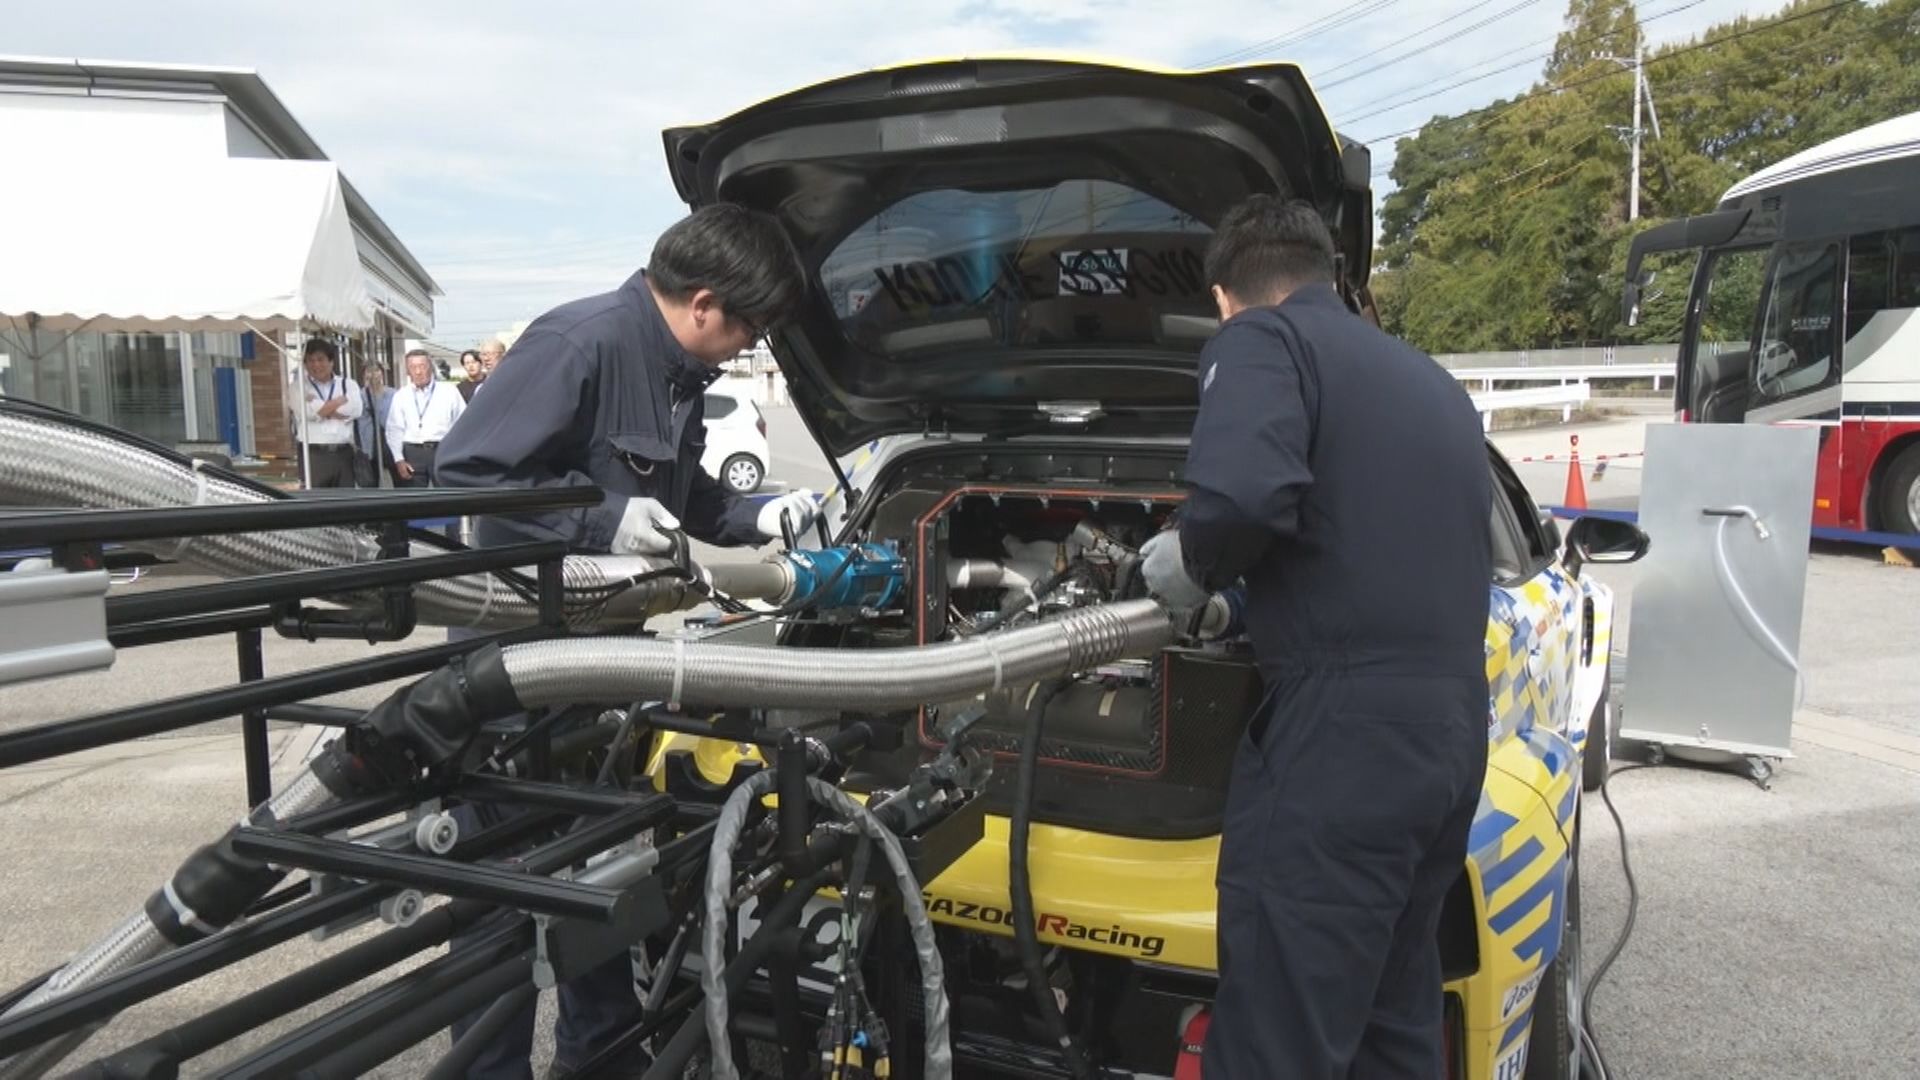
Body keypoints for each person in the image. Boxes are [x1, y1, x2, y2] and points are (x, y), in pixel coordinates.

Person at [433, 202, 816, 1079]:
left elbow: (688, 501)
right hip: (515, 683)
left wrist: (764, 512)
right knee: (500, 912)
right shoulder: (583, 342)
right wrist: (598, 516)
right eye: (750, 327)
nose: (747, 344)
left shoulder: (672, 372)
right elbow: (471, 472)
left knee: (604, 898)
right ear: (706, 302)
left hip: (599, 677)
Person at [1139, 196, 1492, 1079]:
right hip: (1446, 737)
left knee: (1278, 1042)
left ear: (1226, 297)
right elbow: (1368, 549)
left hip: (1341, 742)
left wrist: (1190, 563)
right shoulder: (1429, 380)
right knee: (1389, 1016)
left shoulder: (1262, 339)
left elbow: (1246, 500)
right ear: (1327, 270)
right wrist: (1248, 609)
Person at [384, 349, 466, 487]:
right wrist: (399, 460)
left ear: (430, 367)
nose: (418, 371)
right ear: (407, 371)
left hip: (442, 449)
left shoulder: (449, 391)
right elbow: (394, 429)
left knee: (448, 498)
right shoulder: (401, 395)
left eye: (422, 366)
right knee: (415, 502)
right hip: (412, 452)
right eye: (413, 367)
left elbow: (462, 424)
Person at [293, 338, 363, 489]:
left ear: (331, 362)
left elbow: (354, 410)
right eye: (310, 360)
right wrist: (338, 402)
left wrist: (317, 405)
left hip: (343, 453)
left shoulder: (348, 384)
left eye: (320, 359)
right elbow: (307, 414)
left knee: (345, 502)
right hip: (313, 454)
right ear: (305, 364)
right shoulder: (298, 387)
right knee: (315, 502)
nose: (316, 365)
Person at [354, 362, 396, 487]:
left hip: (390, 443)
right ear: (363, 375)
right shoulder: (359, 396)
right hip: (368, 445)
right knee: (370, 483)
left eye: (377, 370)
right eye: (369, 371)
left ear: (382, 373)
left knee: (399, 481)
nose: (373, 374)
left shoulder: (394, 394)